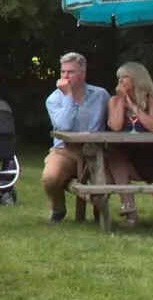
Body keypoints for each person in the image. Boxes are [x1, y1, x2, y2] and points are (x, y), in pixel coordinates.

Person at [42, 52, 110, 223]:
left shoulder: (100, 95)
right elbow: (63, 126)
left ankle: (98, 211)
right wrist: (68, 97)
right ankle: (58, 209)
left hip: (95, 150)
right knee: (50, 177)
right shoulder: (54, 99)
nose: (65, 76)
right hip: (64, 150)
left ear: (83, 74)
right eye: (63, 72)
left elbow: (113, 121)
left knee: (108, 180)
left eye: (70, 72)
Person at [106, 61, 153, 227]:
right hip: (124, 156)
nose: (121, 81)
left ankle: (130, 214)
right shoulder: (114, 101)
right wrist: (120, 100)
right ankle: (130, 213)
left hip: (148, 157)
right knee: (115, 154)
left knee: (115, 160)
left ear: (137, 78)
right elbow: (116, 126)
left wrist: (133, 106)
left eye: (125, 77)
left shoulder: (151, 100)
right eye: (119, 78)